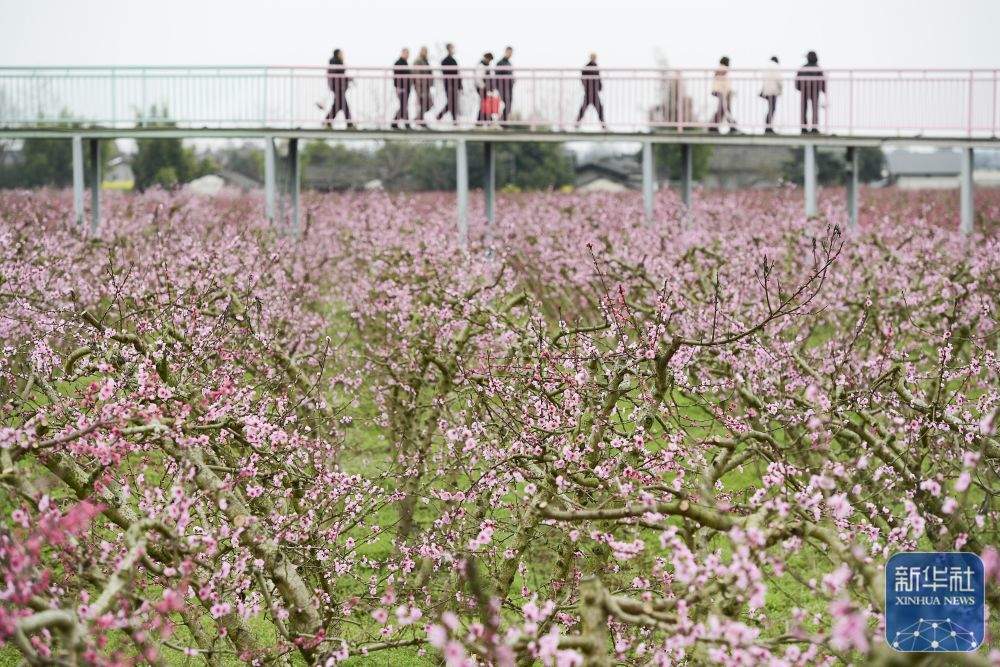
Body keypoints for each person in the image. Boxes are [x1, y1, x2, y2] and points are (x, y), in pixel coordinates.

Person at [796, 51, 826, 134]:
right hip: (815, 91)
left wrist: (800, 88)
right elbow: (822, 81)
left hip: (804, 91)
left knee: (803, 109)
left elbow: (797, 81)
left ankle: (803, 128)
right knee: (815, 109)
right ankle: (814, 128)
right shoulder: (817, 68)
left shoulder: (803, 68)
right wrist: (824, 90)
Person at [324, 48, 353, 128]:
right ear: (338, 54)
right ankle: (349, 123)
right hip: (338, 87)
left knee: (339, 104)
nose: (343, 56)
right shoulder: (336, 63)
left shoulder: (334, 63)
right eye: (341, 54)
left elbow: (340, 75)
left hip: (338, 86)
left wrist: (347, 79)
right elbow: (339, 75)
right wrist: (348, 79)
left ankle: (328, 121)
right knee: (342, 104)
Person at [576, 53, 606, 128]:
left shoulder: (593, 66)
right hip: (590, 91)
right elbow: (584, 78)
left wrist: (599, 86)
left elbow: (598, 78)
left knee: (596, 108)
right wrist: (587, 86)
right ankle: (603, 125)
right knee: (594, 108)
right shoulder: (588, 67)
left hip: (592, 91)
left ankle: (577, 123)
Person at [710, 56, 737, 133]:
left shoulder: (719, 69)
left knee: (723, 109)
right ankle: (731, 125)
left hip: (719, 91)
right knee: (725, 109)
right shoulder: (723, 69)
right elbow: (725, 83)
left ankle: (714, 126)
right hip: (721, 91)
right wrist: (729, 91)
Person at [436, 43, 462, 123]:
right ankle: (449, 119)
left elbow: (457, 73)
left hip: (454, 84)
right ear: (448, 49)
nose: (453, 50)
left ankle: (450, 119)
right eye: (452, 48)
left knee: (452, 102)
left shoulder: (452, 60)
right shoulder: (445, 60)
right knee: (451, 102)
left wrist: (459, 85)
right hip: (450, 84)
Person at [760, 56, 782, 134]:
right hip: (773, 90)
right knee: (772, 109)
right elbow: (779, 79)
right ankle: (768, 127)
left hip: (767, 90)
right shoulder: (776, 67)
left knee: (770, 108)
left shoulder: (766, 67)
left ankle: (768, 126)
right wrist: (781, 90)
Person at [412, 46, 433, 127]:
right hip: (421, 86)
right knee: (424, 103)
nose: (425, 53)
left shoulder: (425, 61)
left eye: (426, 51)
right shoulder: (418, 61)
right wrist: (419, 86)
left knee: (428, 104)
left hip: (426, 86)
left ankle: (419, 118)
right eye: (424, 51)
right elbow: (416, 74)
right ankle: (420, 120)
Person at [392, 47, 412, 129]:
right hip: (401, 88)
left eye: (408, 53)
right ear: (402, 53)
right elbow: (396, 77)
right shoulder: (398, 63)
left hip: (406, 88)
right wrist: (398, 87)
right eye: (406, 53)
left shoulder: (405, 63)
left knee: (404, 106)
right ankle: (398, 123)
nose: (407, 55)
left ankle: (399, 123)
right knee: (403, 106)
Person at [494, 46, 514, 124]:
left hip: (509, 88)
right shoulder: (500, 63)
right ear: (506, 52)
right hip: (502, 87)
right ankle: (502, 122)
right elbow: (497, 76)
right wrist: (498, 87)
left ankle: (503, 122)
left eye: (511, 53)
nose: (510, 54)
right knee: (505, 104)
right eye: (509, 52)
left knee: (508, 105)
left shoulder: (509, 63)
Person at [474, 52, 495, 124]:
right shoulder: (481, 66)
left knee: (485, 104)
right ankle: (487, 121)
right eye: (489, 59)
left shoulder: (487, 66)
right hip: (482, 88)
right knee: (485, 104)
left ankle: (483, 121)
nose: (489, 61)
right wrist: (484, 87)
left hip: (485, 88)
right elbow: (478, 79)